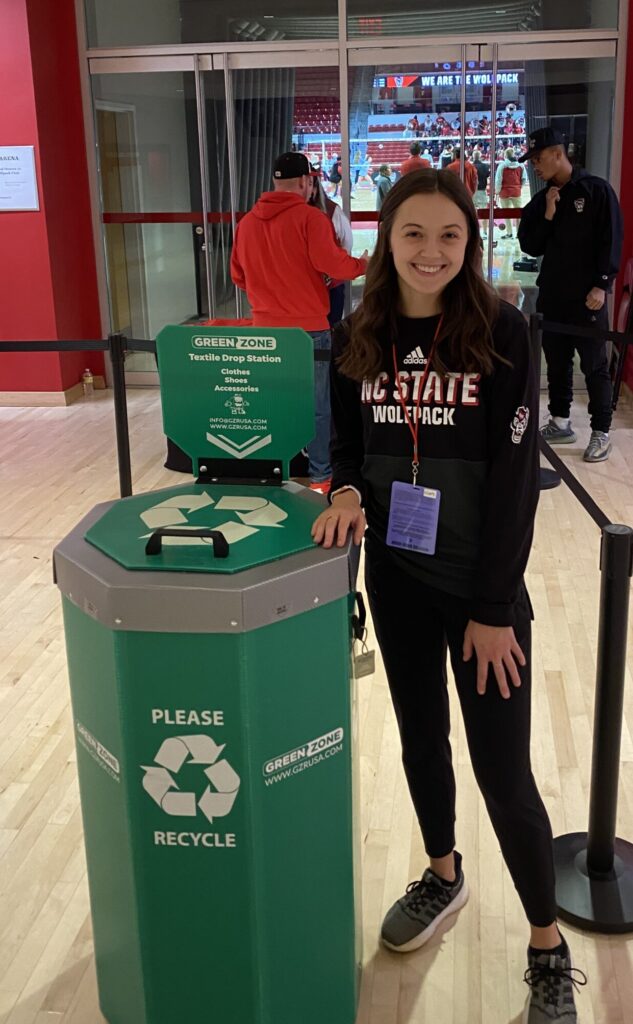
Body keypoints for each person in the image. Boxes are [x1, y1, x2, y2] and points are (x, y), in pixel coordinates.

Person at [312, 168, 587, 1023]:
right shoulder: (362, 331)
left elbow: (513, 482)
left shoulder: (503, 332)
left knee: (503, 775)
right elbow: (348, 451)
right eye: (412, 235)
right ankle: (442, 874)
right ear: (384, 241)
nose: (430, 252)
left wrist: (494, 608)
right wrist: (347, 493)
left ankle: (546, 944)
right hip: (396, 578)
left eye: (448, 237)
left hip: (480, 591)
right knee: (420, 743)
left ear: (469, 245)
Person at [230, 151, 368, 491]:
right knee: (319, 406)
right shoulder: (310, 219)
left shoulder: (246, 224)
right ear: (306, 182)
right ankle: (321, 476)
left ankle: (278, 471)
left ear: (275, 183)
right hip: (308, 330)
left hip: (263, 330)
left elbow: (238, 276)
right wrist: (362, 264)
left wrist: (268, 293)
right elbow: (334, 265)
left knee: (274, 402)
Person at [518, 127, 624, 462]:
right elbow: (529, 245)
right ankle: (560, 422)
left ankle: (600, 432)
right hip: (553, 296)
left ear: (557, 152)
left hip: (588, 299)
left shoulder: (596, 191)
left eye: (537, 158)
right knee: (558, 362)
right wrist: (548, 216)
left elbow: (611, 239)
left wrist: (602, 284)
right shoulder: (541, 200)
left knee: (595, 365)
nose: (534, 165)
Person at [309, 167, 354, 327]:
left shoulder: (332, 211)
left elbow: (346, 244)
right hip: (305, 289)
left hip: (331, 285)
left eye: (311, 185)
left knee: (331, 328)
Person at [494, 146, 527, 239]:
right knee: (518, 214)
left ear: (505, 155)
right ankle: (519, 233)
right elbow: (524, 179)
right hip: (516, 192)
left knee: (507, 213)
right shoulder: (521, 165)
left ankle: (509, 233)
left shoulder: (502, 165)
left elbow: (498, 180)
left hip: (504, 192)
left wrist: (497, 191)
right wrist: (519, 187)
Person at [472, 149, 491, 236]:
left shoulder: (470, 166)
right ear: (480, 156)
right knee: (484, 213)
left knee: (472, 213)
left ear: (473, 157)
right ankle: (485, 232)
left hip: (473, 192)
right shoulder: (485, 166)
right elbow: (488, 175)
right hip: (482, 191)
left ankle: (475, 233)